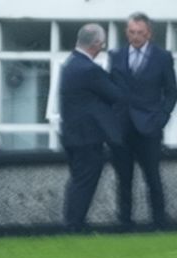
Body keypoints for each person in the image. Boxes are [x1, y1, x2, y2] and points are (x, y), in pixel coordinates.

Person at [108, 12, 177, 230]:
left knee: (152, 177)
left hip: (149, 126)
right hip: (122, 126)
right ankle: (124, 221)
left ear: (149, 34)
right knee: (124, 178)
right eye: (131, 32)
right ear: (126, 32)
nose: (135, 37)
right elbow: (109, 88)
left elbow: (171, 91)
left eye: (140, 33)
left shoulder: (162, 57)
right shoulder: (116, 55)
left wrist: (162, 117)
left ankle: (159, 220)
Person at [59, 24, 123, 233]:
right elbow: (115, 94)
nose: (102, 48)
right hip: (87, 137)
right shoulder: (89, 69)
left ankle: (73, 221)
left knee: (78, 180)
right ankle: (75, 224)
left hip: (73, 135)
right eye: (101, 44)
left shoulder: (70, 64)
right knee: (85, 181)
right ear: (96, 44)